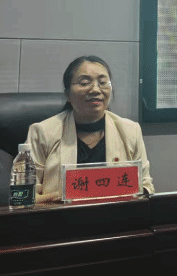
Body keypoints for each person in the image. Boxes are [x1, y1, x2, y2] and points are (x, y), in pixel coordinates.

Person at [25, 56, 154, 202]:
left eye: (103, 83)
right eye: (85, 83)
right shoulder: (42, 132)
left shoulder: (130, 131)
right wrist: (62, 197)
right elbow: (25, 195)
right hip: (60, 214)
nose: (96, 90)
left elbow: (146, 186)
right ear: (68, 94)